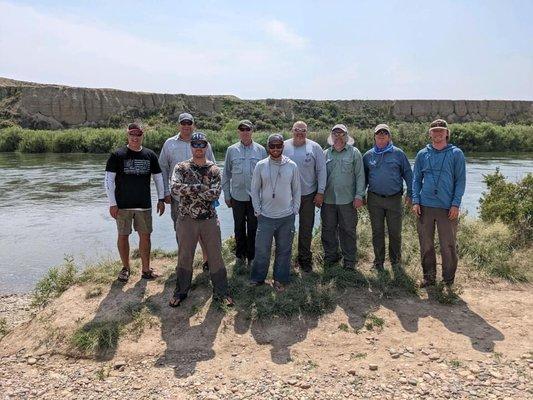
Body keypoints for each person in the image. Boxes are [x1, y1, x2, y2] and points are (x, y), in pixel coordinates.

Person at [168, 132, 233, 307]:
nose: (198, 147)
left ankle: (222, 291)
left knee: (215, 256)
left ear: (206, 147)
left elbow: (215, 193)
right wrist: (199, 187)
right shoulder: (181, 167)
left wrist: (189, 189)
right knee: (185, 255)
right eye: (195, 144)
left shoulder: (214, 169)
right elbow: (175, 189)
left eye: (202, 144)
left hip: (209, 219)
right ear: (191, 146)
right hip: (186, 219)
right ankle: (181, 291)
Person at [104, 123, 165, 282]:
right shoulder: (117, 155)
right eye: (132, 134)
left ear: (142, 136)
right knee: (123, 236)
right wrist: (112, 203)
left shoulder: (150, 155)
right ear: (128, 136)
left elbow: (158, 178)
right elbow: (108, 181)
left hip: (144, 205)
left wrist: (161, 199)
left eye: (138, 135)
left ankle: (146, 270)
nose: (135, 137)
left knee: (145, 237)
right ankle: (125, 268)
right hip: (122, 206)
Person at [412, 119, 466, 290]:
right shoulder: (422, 154)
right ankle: (429, 278)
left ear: (447, 133)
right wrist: (415, 200)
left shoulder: (456, 154)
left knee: (448, 245)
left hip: (447, 207)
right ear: (430, 134)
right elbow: (416, 180)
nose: (437, 133)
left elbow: (461, 181)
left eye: (441, 131)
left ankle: (448, 281)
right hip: (425, 206)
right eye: (434, 131)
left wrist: (455, 204)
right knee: (426, 244)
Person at [158, 112, 215, 271]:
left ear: (193, 124)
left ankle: (206, 261)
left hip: (202, 197)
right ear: (179, 125)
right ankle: (184, 263)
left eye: (189, 123)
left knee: (204, 230)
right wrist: (164, 193)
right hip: (178, 198)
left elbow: (212, 167)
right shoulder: (169, 144)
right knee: (181, 230)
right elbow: (162, 168)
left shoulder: (204, 143)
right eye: (183, 123)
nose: (186, 126)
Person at [250, 134, 301, 291]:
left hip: (286, 217)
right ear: (268, 147)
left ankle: (280, 279)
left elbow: (297, 189)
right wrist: (257, 210)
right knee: (261, 250)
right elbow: (254, 189)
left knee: (284, 250)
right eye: (272, 146)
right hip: (265, 217)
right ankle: (258, 278)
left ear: (283, 147)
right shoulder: (261, 165)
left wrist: (295, 209)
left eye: (279, 146)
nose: (276, 149)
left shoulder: (292, 165)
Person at [363, 124, 413, 271]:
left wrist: (411, 194)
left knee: (395, 232)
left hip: (394, 199)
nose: (382, 135)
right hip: (374, 199)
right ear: (374, 137)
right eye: (379, 133)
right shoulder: (368, 155)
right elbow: (363, 178)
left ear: (389, 137)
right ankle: (378, 262)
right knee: (377, 232)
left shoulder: (398, 154)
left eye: (385, 133)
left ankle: (396, 262)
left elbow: (408, 175)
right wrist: (361, 194)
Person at [222, 119, 267, 268]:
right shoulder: (231, 150)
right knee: (239, 227)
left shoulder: (260, 150)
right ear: (238, 132)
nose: (245, 132)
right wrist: (227, 196)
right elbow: (226, 174)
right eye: (242, 129)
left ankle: (252, 257)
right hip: (237, 197)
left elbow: (266, 175)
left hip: (256, 198)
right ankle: (240, 256)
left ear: (252, 131)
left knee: (254, 228)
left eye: (248, 129)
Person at [283, 121, 326, 272]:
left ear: (307, 132)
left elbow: (321, 170)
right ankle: (285, 260)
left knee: (306, 228)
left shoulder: (315, 147)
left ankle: (304, 259)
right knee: (286, 229)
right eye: (297, 130)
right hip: (287, 196)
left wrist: (320, 192)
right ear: (292, 130)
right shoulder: (283, 146)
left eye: (303, 130)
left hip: (308, 195)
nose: (300, 133)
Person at [322, 124, 365, 270]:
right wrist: (319, 194)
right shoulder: (325, 153)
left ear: (346, 136)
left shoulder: (355, 153)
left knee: (348, 230)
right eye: (335, 134)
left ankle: (349, 260)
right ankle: (331, 257)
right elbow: (320, 177)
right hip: (328, 200)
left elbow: (360, 176)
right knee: (328, 229)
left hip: (348, 200)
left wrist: (359, 195)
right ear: (331, 136)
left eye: (341, 134)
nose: (338, 137)